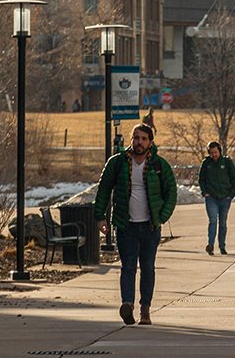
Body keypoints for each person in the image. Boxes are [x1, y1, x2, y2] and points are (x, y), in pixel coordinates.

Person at [93, 122, 177, 326]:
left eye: (143, 139)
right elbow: (103, 190)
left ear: (150, 142)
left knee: (148, 268)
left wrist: (162, 216)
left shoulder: (159, 165)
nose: (139, 142)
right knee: (128, 267)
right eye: (136, 138)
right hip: (125, 225)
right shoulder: (118, 163)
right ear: (131, 140)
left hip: (150, 226)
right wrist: (100, 217)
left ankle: (145, 310)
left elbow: (171, 193)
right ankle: (127, 306)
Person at [198, 140, 235, 256]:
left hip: (225, 197)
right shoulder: (206, 163)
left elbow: (234, 179)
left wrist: (231, 195)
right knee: (213, 221)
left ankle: (222, 246)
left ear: (219, 151)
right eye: (211, 153)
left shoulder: (227, 162)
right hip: (211, 197)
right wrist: (205, 192)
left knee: (223, 223)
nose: (214, 155)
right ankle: (210, 245)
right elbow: (201, 179)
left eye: (215, 152)